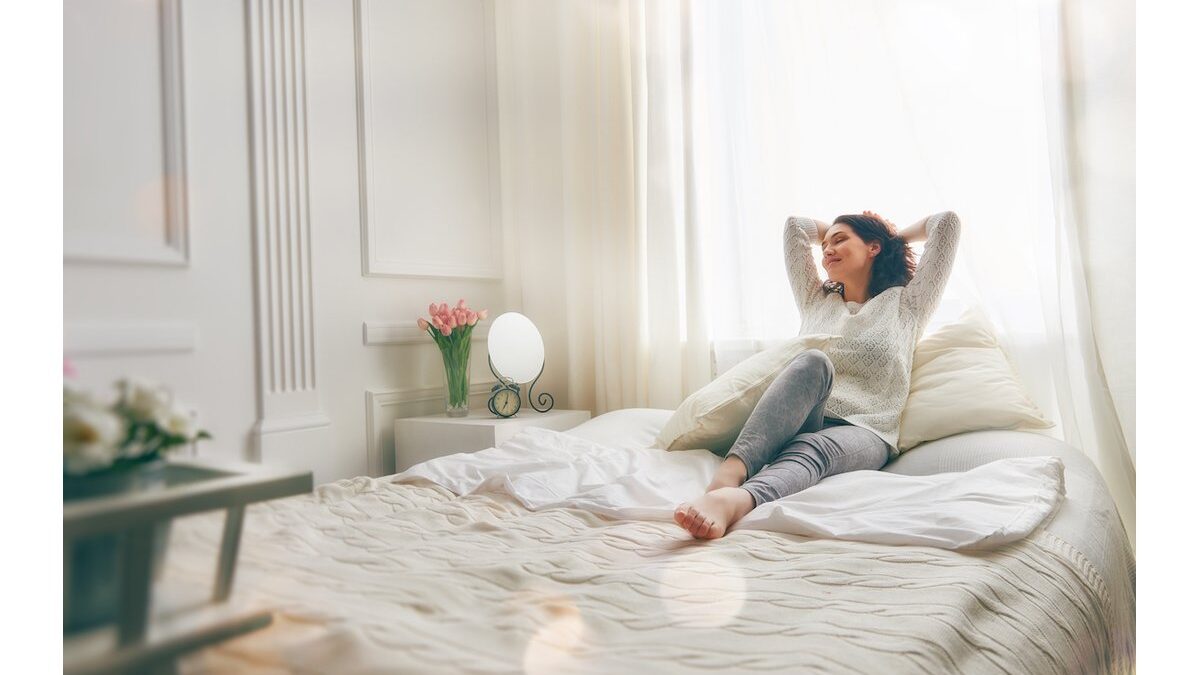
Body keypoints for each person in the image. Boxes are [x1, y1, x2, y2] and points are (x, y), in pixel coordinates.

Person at [673, 209, 962, 539]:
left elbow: (946, 224)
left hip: (865, 429)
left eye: (839, 241)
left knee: (812, 449)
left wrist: (892, 237)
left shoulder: (908, 304)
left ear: (874, 247)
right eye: (824, 245)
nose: (827, 250)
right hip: (800, 418)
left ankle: (737, 500)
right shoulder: (816, 300)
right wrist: (841, 235)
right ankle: (728, 475)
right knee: (813, 361)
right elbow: (795, 228)